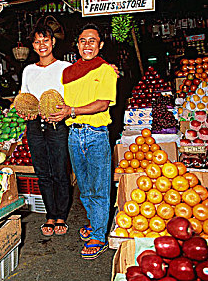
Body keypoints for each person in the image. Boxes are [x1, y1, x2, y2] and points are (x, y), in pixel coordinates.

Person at [49, 23, 117, 259]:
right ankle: (95, 222)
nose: (87, 45)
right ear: (77, 44)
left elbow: (102, 103)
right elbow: (60, 102)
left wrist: (72, 111)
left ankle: (99, 236)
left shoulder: (106, 70)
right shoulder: (68, 73)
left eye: (92, 41)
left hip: (96, 134)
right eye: (83, 41)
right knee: (85, 188)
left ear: (100, 45)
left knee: (99, 187)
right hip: (74, 135)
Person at [18, 25, 71, 236]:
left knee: (59, 172)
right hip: (34, 125)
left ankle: (62, 216)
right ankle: (50, 214)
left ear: (53, 42)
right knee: (42, 173)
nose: (42, 45)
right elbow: (24, 96)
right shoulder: (28, 70)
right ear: (33, 45)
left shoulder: (65, 67)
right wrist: (23, 111)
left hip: (57, 123)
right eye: (38, 42)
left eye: (46, 40)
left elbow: (78, 90)